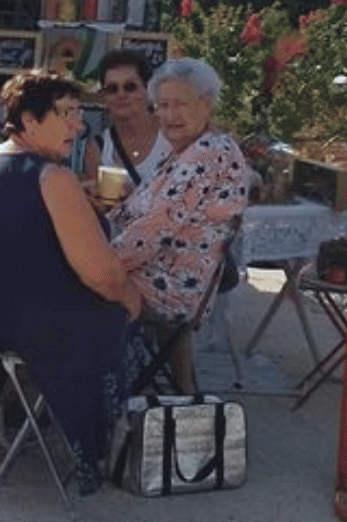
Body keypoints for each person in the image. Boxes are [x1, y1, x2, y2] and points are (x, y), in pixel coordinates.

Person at [0, 69, 141, 492]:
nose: (77, 126)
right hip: (37, 327)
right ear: (28, 120)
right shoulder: (52, 177)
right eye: (65, 114)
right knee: (124, 315)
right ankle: (101, 444)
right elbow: (99, 273)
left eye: (78, 114)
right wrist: (131, 298)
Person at [109, 56, 255, 391]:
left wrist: (96, 260)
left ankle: (72, 395)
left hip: (170, 286)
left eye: (180, 104)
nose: (169, 115)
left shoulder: (206, 155)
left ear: (206, 104)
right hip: (166, 274)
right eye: (162, 105)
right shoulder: (190, 149)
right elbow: (143, 209)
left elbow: (152, 231)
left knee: (62, 287)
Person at [82, 48, 172, 188]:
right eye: (112, 89)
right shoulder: (98, 148)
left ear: (148, 90)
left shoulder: (173, 138)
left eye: (130, 87)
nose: (121, 94)